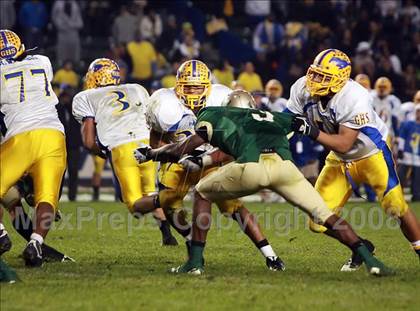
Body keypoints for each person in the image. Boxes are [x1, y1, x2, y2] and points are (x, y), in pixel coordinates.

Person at [135, 90, 393, 277]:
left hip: (253, 167)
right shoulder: (275, 117)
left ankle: (195, 261)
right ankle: (371, 259)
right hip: (286, 169)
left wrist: (152, 153)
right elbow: (301, 127)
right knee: (324, 214)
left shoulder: (215, 114)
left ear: (229, 104)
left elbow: (181, 148)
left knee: (202, 193)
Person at [143, 60, 285, 271]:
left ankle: (271, 256)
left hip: (211, 158)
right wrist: (166, 155)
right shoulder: (163, 101)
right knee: (169, 202)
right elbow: (156, 136)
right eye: (188, 86)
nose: (192, 91)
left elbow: (235, 142)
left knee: (233, 207)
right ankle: (193, 244)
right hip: (178, 160)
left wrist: (214, 158)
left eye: (198, 87)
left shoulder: (222, 98)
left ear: (207, 86)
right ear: (178, 85)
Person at [285, 49, 420, 270]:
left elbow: (345, 143)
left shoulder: (354, 95)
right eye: (315, 73)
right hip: (339, 159)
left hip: (370, 154)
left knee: (396, 206)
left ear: (339, 79)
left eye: (323, 77)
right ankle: (361, 248)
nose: (314, 80)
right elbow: (288, 121)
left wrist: (310, 131)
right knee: (317, 219)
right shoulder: (301, 88)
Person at [72, 58, 177, 246]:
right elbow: (154, 120)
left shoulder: (86, 96)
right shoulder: (136, 88)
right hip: (147, 144)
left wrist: (100, 151)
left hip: (121, 147)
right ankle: (168, 236)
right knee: (150, 192)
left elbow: (88, 142)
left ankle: (171, 199)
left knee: (135, 205)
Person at [0, 30, 67, 267]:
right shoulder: (43, 62)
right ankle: (37, 242)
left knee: (9, 197)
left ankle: (1, 233)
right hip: (53, 134)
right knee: (46, 196)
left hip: (20, 136)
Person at [398, 105, 420, 202]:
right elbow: (402, 137)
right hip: (407, 153)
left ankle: (416, 195)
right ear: (415, 112)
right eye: (418, 111)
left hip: (418, 156)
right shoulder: (408, 124)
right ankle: (397, 195)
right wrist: (400, 150)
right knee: (401, 176)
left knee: (417, 179)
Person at [372, 77, 401, 141]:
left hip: (387, 133)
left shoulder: (393, 101)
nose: (382, 89)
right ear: (375, 87)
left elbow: (395, 119)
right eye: (380, 87)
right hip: (373, 132)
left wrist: (396, 135)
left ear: (389, 88)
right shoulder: (370, 98)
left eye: (384, 87)